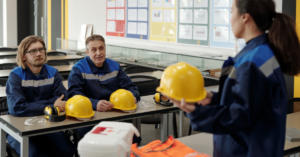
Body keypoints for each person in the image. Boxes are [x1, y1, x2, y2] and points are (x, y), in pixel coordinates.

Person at [165, 0, 300, 156]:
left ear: (245, 17)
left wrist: (196, 112)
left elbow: (239, 116)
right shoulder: (263, 53)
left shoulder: (252, 61)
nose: (230, 19)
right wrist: (213, 98)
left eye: (231, 12)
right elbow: (252, 102)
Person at [6, 36, 76, 157]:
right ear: (24, 56)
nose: (39, 53)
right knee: (34, 154)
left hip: (47, 124)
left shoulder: (53, 72)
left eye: (41, 49)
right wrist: (52, 105)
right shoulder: (15, 76)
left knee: (67, 149)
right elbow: (18, 108)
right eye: (33, 51)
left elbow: (63, 99)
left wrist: (33, 106)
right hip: (19, 127)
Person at [68, 34, 141, 143]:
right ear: (87, 52)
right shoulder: (78, 69)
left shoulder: (115, 66)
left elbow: (131, 87)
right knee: (100, 142)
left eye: (101, 48)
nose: (98, 53)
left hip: (115, 115)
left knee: (134, 137)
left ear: (105, 48)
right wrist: (95, 104)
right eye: (94, 50)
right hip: (89, 118)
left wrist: (133, 96)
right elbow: (74, 95)